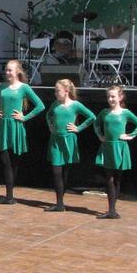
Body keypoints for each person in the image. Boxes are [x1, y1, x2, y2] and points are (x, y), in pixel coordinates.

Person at [0, 59, 45, 204]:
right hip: (3, 126)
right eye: (6, 70)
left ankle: (10, 196)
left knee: (13, 162)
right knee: (6, 161)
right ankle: (9, 196)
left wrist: (25, 117)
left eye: (10, 70)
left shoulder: (24, 87)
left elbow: (40, 105)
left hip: (16, 127)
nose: (7, 72)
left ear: (17, 72)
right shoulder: (2, 86)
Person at [94, 85, 137, 219]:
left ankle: (113, 209)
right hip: (108, 147)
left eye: (113, 96)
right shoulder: (104, 113)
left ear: (120, 97)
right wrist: (100, 135)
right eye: (108, 97)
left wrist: (130, 135)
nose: (110, 99)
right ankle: (111, 210)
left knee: (117, 178)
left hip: (120, 147)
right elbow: (96, 124)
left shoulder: (125, 113)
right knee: (109, 178)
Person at [44, 79, 95, 212]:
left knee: (65, 172)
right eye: (55, 90)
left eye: (58, 90)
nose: (55, 93)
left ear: (66, 91)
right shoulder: (55, 104)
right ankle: (59, 203)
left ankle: (61, 201)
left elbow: (91, 117)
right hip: (56, 140)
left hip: (68, 140)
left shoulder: (75, 105)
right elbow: (48, 115)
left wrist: (78, 128)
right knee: (56, 171)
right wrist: (51, 126)